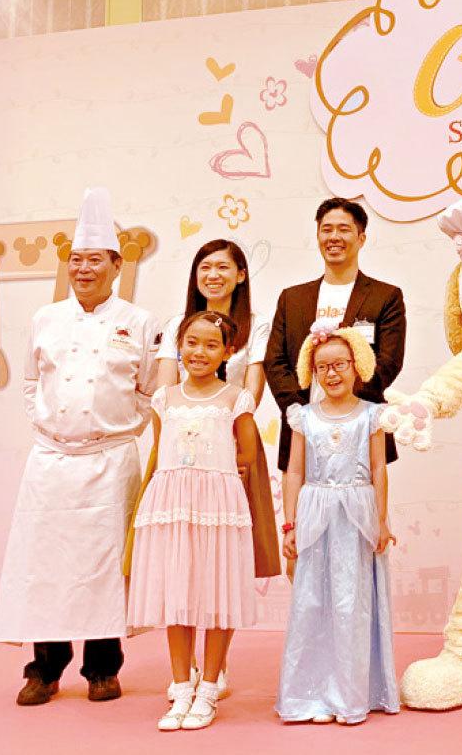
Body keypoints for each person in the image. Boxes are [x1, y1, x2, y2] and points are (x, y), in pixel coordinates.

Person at [0, 187, 160, 706]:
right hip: (51, 460)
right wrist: (49, 429)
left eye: (95, 260)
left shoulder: (139, 321)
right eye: (76, 260)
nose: (83, 269)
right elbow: (29, 382)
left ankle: (102, 669)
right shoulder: (46, 318)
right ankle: (44, 669)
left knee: (104, 568)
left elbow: (148, 390)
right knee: (46, 566)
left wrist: (117, 430)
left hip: (110, 460)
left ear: (117, 264)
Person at [151, 239, 281, 698]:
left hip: (230, 447)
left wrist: (226, 433)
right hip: (180, 445)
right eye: (205, 267)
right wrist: (181, 420)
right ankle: (185, 672)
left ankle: (215, 670)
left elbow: (252, 390)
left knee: (223, 557)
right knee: (180, 556)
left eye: (224, 267)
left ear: (241, 275)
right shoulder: (176, 324)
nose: (213, 275)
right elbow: (165, 389)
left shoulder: (257, 325)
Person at [128, 312, 261, 730]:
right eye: (191, 342)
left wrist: (220, 481)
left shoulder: (235, 398)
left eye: (211, 344)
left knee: (217, 597)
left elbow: (248, 454)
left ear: (228, 351)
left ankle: (208, 690)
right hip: (173, 504)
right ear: (180, 345)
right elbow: (159, 449)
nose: (199, 352)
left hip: (218, 507)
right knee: (177, 596)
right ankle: (182, 687)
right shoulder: (164, 399)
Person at [276, 317, 399, 725]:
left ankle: (349, 695)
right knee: (312, 601)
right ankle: (309, 696)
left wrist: (381, 520)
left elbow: (379, 469)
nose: (332, 374)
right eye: (323, 367)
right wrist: (290, 523)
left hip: (357, 516)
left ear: (355, 366)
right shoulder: (303, 417)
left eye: (339, 365)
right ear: (313, 372)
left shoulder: (372, 415)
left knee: (352, 604)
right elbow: (295, 471)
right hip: (315, 515)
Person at [263, 198, 406, 474]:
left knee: (362, 499)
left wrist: (345, 409)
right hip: (303, 429)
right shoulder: (292, 298)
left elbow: (388, 362)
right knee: (302, 500)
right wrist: (302, 414)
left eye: (344, 229)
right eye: (326, 229)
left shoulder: (385, 296)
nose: (334, 237)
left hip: (361, 427)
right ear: (318, 235)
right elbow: (275, 361)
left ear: (361, 238)